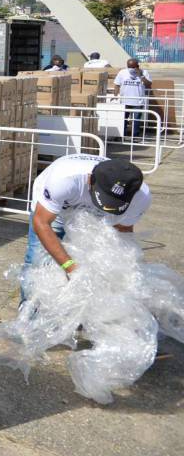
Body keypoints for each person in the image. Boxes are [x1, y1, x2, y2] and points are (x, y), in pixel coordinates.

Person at [21, 155, 150, 299]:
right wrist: (70, 266)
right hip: (55, 210)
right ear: (90, 179)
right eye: (104, 198)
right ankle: (28, 312)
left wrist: (125, 271)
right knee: (37, 261)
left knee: (95, 263)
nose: (106, 206)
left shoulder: (140, 196)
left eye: (114, 204)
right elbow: (42, 223)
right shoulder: (63, 180)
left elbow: (123, 234)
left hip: (96, 217)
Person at [113, 58, 153, 139]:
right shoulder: (122, 72)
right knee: (123, 119)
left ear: (137, 66)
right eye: (129, 67)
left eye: (133, 67)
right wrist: (115, 95)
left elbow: (148, 84)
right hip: (124, 101)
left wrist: (141, 75)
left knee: (136, 120)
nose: (131, 69)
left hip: (138, 101)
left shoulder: (144, 72)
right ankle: (121, 135)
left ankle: (135, 137)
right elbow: (117, 84)